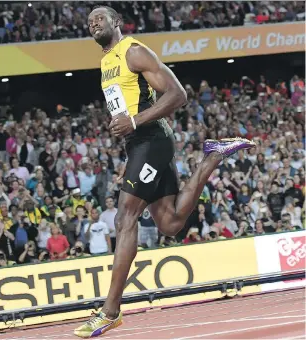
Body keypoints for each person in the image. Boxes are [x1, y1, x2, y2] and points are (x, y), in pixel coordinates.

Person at [74, 6, 256, 338]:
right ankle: (211, 158)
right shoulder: (106, 60)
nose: (93, 23)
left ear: (117, 22)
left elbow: (178, 94)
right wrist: (129, 139)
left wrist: (133, 122)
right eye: (89, 22)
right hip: (139, 144)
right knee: (170, 223)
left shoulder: (134, 51)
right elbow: (126, 104)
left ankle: (110, 312)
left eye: (100, 18)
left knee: (124, 218)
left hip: (151, 140)